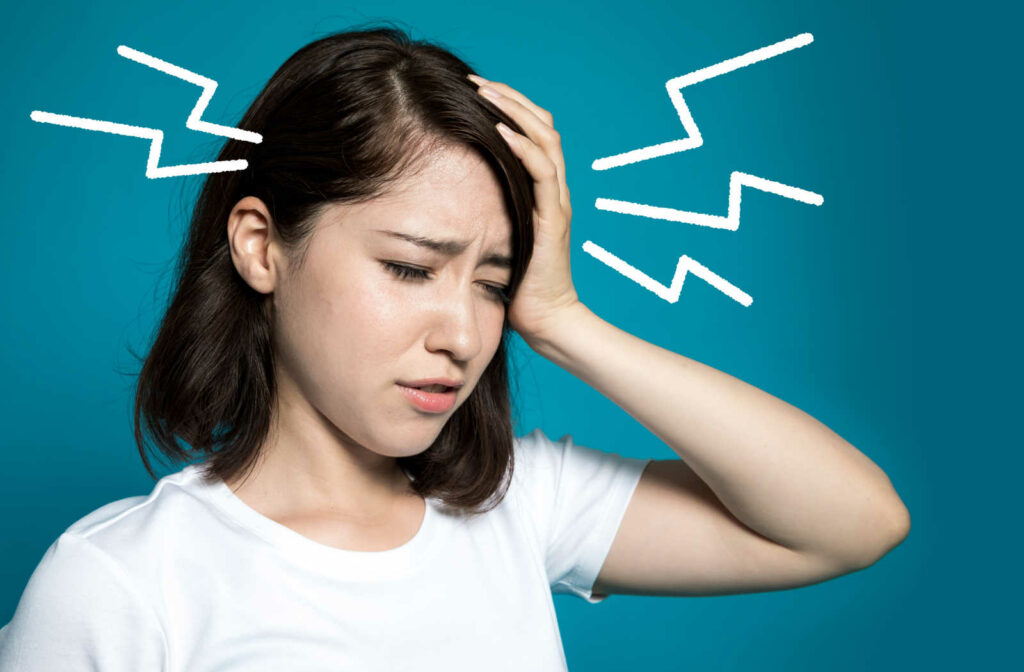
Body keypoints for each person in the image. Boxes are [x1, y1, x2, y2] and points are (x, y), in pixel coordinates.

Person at [0, 23, 910, 672]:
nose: (465, 335)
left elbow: (853, 524)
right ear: (260, 245)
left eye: (491, 282)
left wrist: (564, 321)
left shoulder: (520, 504)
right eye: (408, 268)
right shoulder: (119, 585)